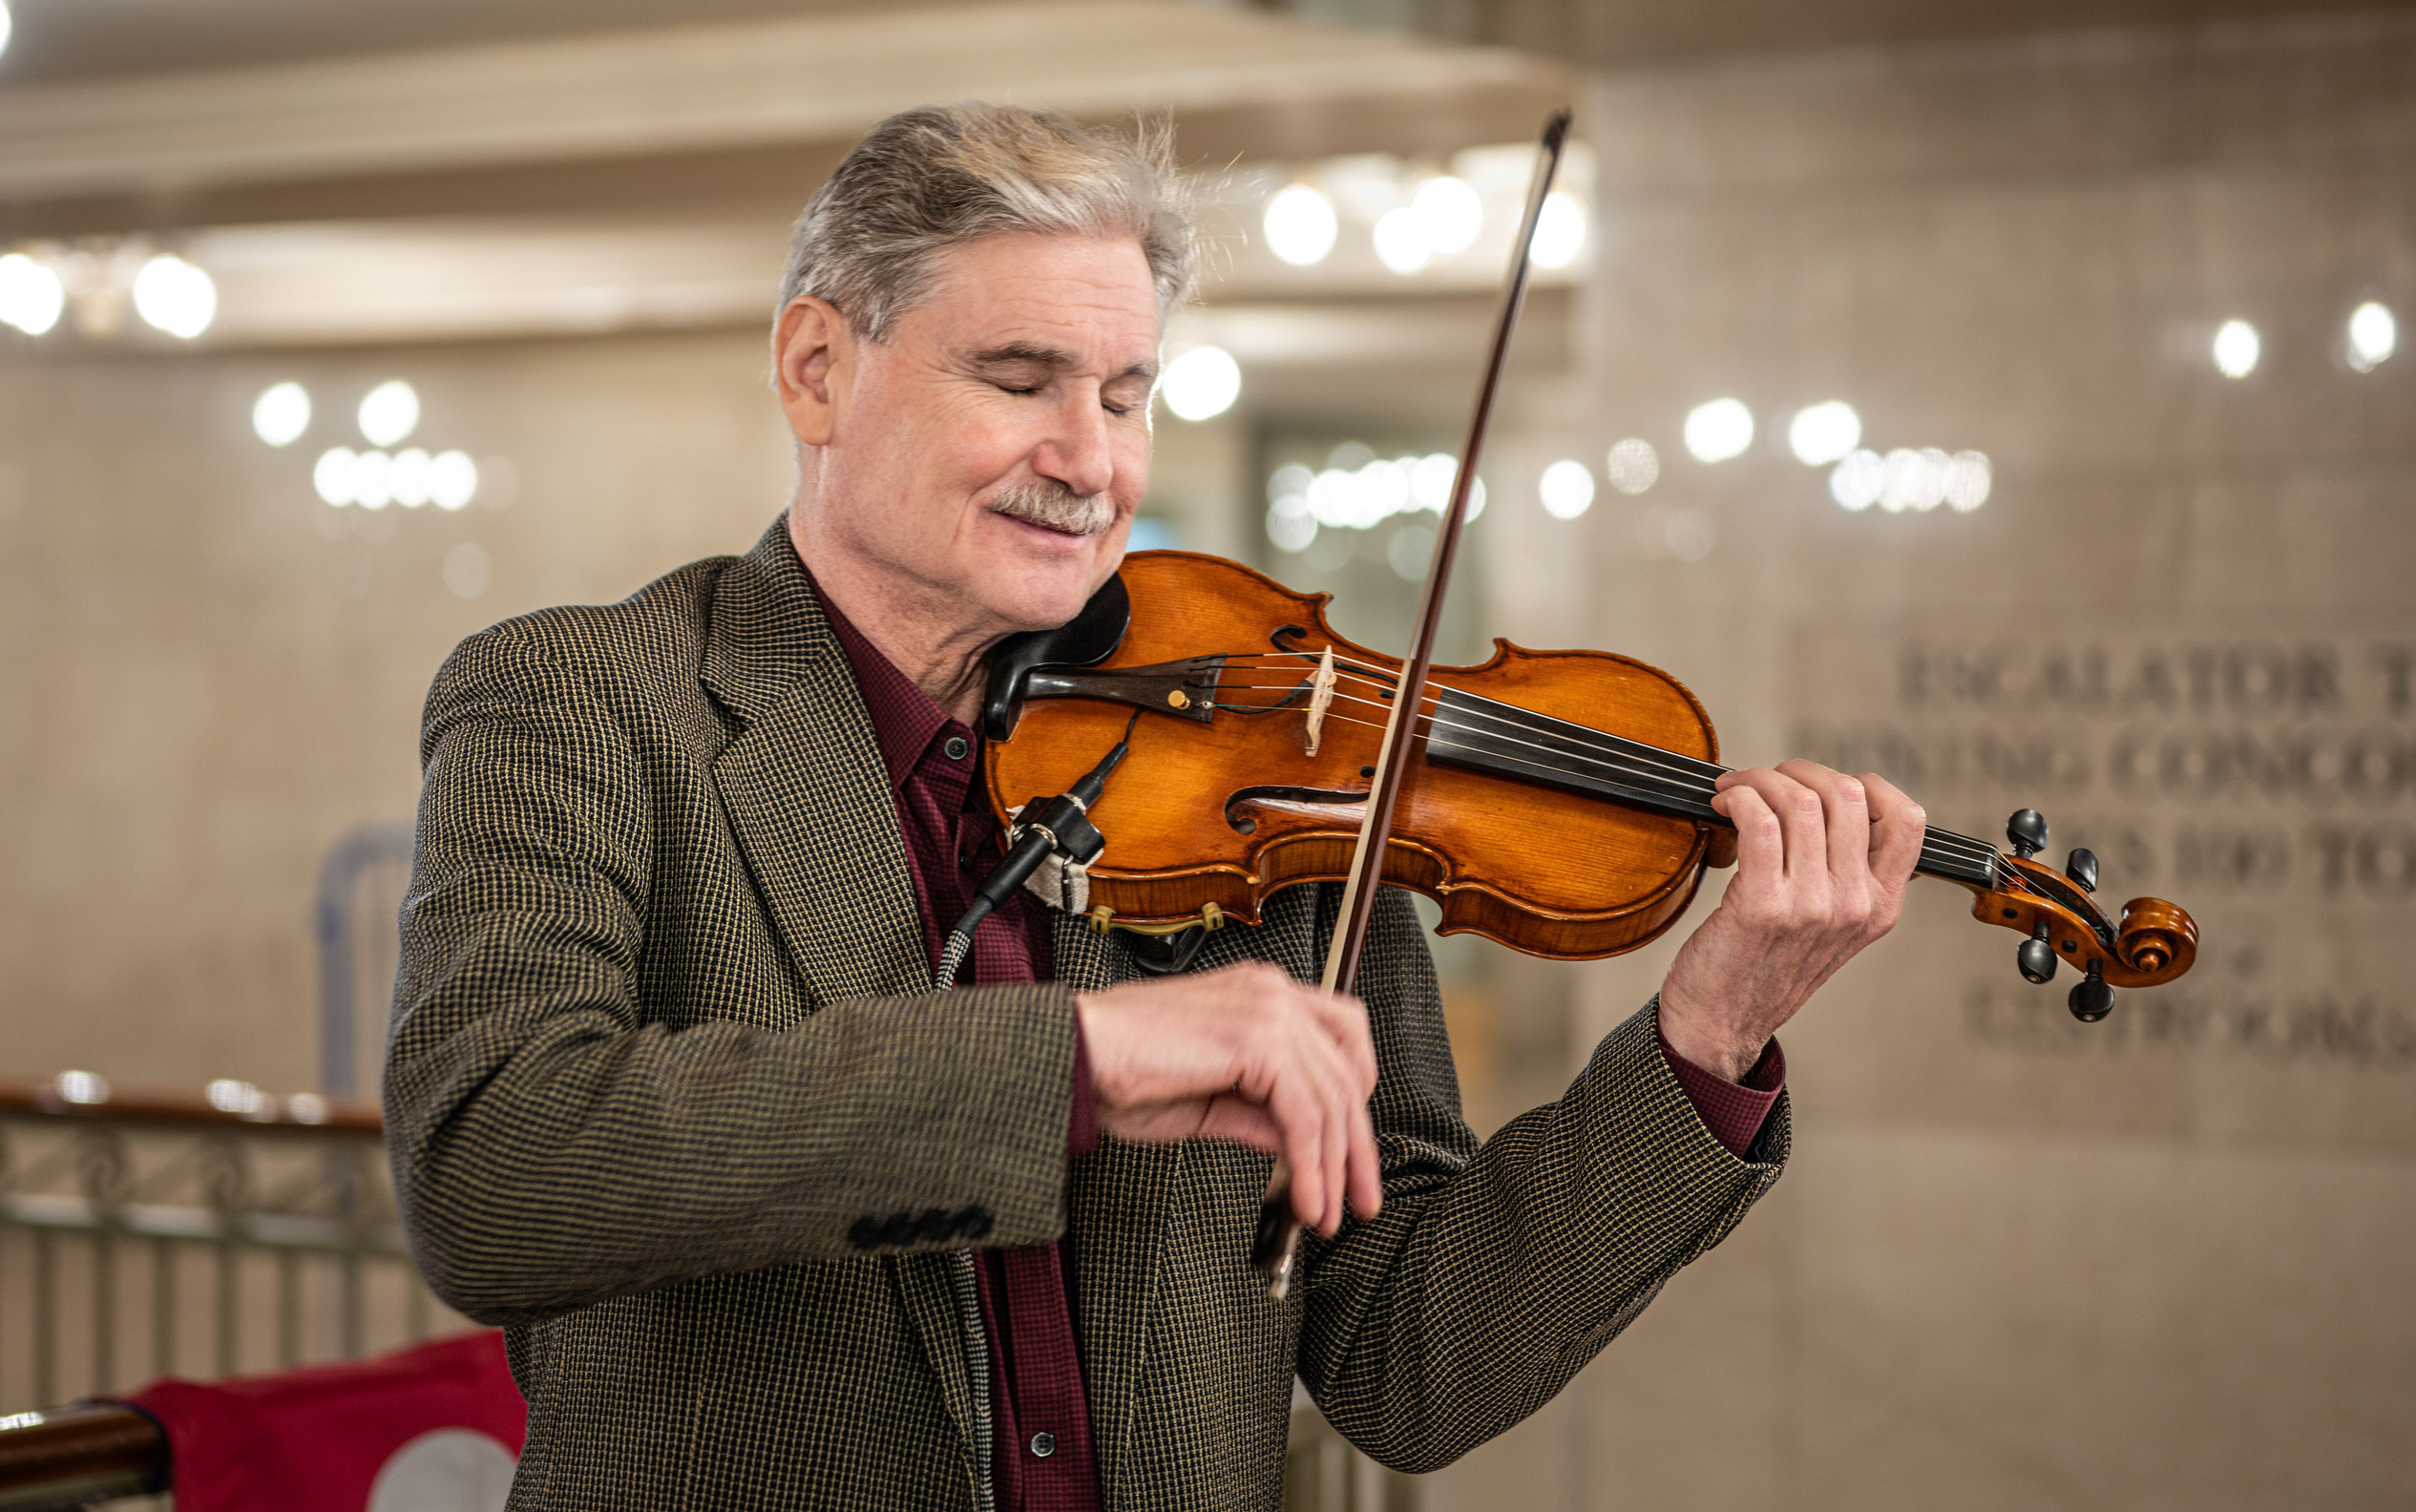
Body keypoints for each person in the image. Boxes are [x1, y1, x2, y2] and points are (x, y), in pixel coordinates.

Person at [385, 104, 1926, 1512]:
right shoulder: (582, 696)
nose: (1092, 462)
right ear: (815, 366)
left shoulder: (1282, 757)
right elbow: (495, 1171)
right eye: (1020, 380)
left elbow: (1407, 1356)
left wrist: (1702, 1041)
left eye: (1128, 396)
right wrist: (1074, 1061)